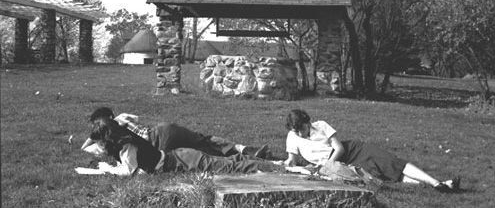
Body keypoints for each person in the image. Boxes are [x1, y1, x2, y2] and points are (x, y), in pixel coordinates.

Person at [282, 109, 460, 193]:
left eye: (301, 128)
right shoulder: (293, 137)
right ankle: (444, 184)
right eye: (295, 130)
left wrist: (329, 163)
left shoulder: (320, 125)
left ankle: (436, 182)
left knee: (390, 162)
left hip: (351, 151)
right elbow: (292, 159)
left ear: (308, 122)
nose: (299, 133)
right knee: (383, 176)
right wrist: (288, 163)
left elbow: (339, 147)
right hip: (337, 166)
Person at [84, 117, 285, 176]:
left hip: (181, 159)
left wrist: (106, 169)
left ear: (108, 138)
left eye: (100, 141)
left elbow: (129, 171)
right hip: (178, 154)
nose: (99, 145)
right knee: (227, 161)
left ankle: (282, 168)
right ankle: (276, 163)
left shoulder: (127, 146)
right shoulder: (126, 138)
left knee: (231, 166)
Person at [81, 107, 270, 159]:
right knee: (205, 140)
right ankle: (245, 150)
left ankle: (242, 161)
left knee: (199, 157)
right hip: (166, 128)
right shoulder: (122, 117)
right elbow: (136, 118)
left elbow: (85, 147)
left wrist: (94, 134)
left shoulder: (110, 129)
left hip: (157, 144)